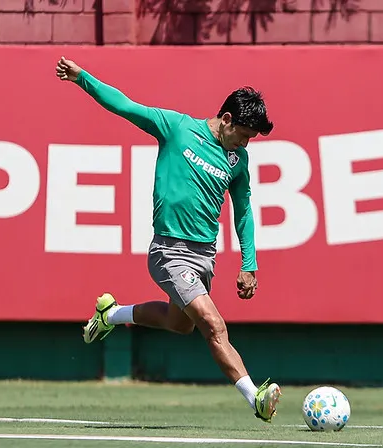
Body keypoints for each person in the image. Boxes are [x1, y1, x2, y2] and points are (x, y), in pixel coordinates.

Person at [55, 56, 282, 423]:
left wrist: (249, 264)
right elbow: (125, 106)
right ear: (226, 119)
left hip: (204, 256)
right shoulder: (177, 128)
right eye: (243, 134)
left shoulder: (237, 160)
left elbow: (243, 211)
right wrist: (83, 78)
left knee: (180, 324)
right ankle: (254, 396)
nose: (245, 143)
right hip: (169, 252)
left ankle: (110, 314)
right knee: (213, 325)